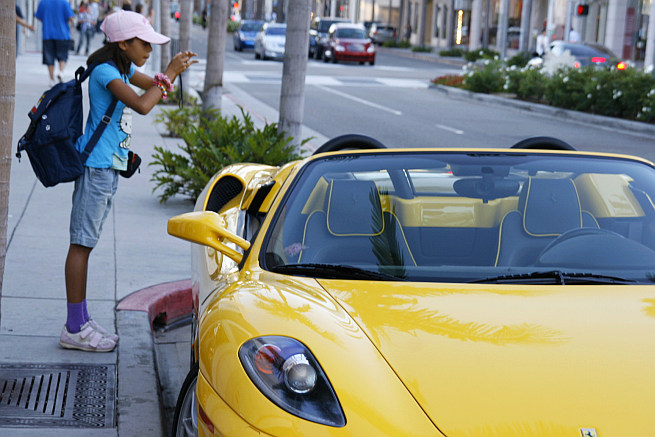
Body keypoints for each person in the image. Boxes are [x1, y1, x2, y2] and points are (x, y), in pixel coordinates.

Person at [60, 10, 198, 353]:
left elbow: (151, 86)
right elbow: (142, 104)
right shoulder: (107, 72)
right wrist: (168, 74)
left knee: (85, 243)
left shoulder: (122, 68)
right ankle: (74, 327)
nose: (149, 51)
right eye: (144, 44)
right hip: (95, 169)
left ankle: (82, 319)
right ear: (123, 43)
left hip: (107, 170)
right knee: (81, 244)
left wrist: (169, 72)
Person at [35, 0, 75, 86]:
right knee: (63, 56)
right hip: (63, 34)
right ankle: (61, 72)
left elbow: (38, 16)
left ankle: (51, 78)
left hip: (47, 33)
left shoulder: (43, 2)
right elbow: (70, 17)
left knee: (49, 57)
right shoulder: (64, 3)